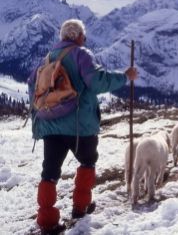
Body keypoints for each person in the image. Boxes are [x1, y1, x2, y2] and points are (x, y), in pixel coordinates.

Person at [27, 19, 138, 235]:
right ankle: (80, 207)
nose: (84, 40)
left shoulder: (47, 58)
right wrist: (125, 77)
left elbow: (33, 87)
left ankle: (47, 221)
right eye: (83, 37)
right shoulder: (81, 54)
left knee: (49, 172)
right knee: (87, 162)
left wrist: (40, 120)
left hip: (51, 125)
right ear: (78, 37)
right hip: (80, 125)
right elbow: (97, 81)